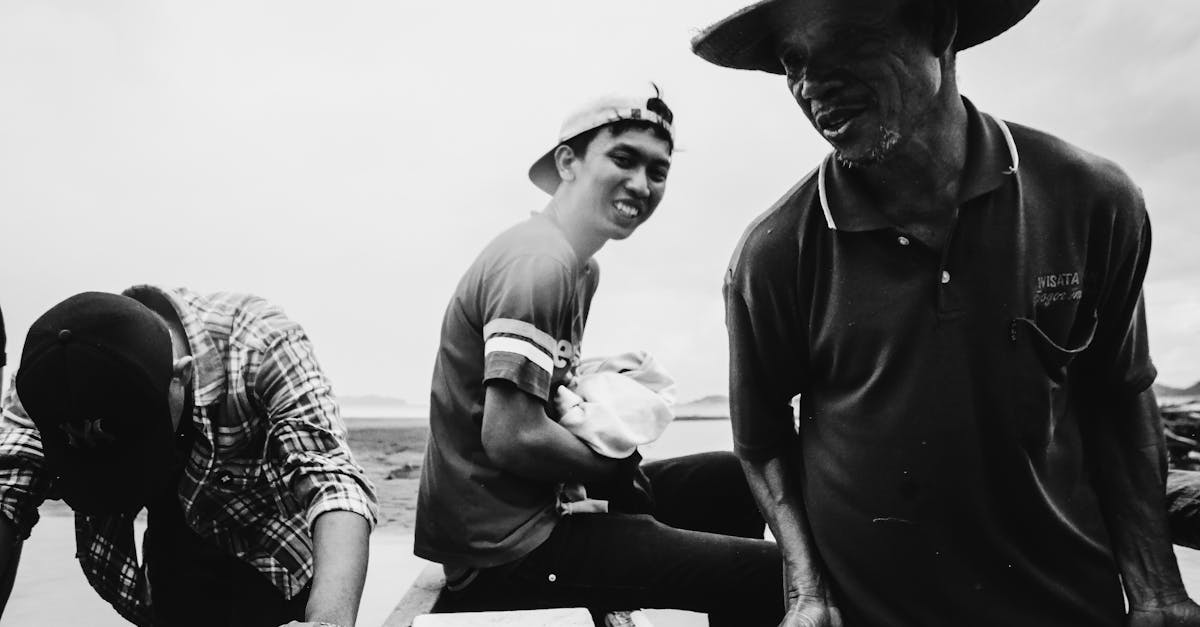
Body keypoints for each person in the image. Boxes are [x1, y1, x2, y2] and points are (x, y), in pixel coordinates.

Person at [691, 1, 1200, 625]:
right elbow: (762, 440)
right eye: (793, 60)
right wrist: (807, 593)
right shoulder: (775, 252)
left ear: (939, 26)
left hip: (1067, 603)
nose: (811, 84)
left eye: (847, 41)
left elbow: (1120, 396)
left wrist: (1157, 593)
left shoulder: (1090, 198)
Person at [414, 85, 783, 626]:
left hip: (543, 509)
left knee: (734, 477)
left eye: (658, 172)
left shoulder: (581, 267)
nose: (641, 184)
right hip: (503, 543)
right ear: (568, 162)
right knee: (776, 574)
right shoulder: (536, 260)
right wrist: (616, 473)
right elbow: (511, 434)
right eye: (623, 159)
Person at [0, 286, 378, 627]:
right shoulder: (44, 385)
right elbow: (5, 495)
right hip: (176, 566)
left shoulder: (259, 342)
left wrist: (327, 623)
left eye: (138, 451)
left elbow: (333, 482)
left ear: (180, 376)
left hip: (282, 561)